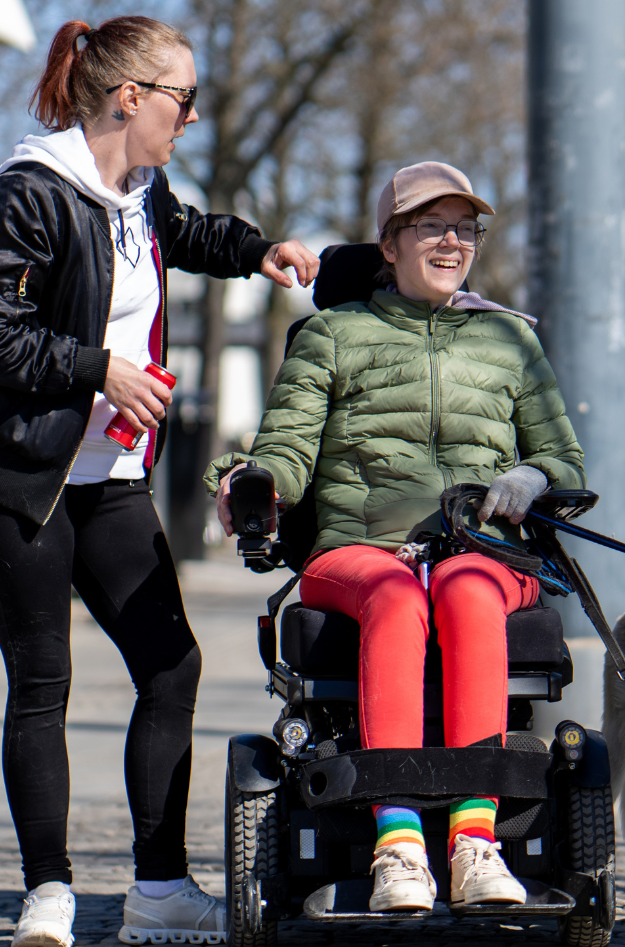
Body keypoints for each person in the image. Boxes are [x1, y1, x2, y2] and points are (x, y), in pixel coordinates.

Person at [0, 16, 320, 947]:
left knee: (171, 664)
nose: (190, 118)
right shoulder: (28, 195)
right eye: (183, 99)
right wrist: (98, 368)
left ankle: (158, 891)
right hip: (21, 480)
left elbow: (185, 233)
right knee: (44, 681)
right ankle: (49, 895)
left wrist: (256, 250)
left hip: (109, 478)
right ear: (130, 98)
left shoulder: (140, 194)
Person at [205, 161, 585, 915]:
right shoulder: (330, 336)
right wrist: (255, 482)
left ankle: (476, 843)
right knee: (395, 594)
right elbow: (287, 449)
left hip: (482, 549)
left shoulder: (511, 342)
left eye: (466, 227)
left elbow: (564, 456)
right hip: (358, 550)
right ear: (388, 242)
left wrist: (535, 479)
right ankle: (400, 844)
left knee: (467, 589)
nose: (453, 241)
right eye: (432, 226)